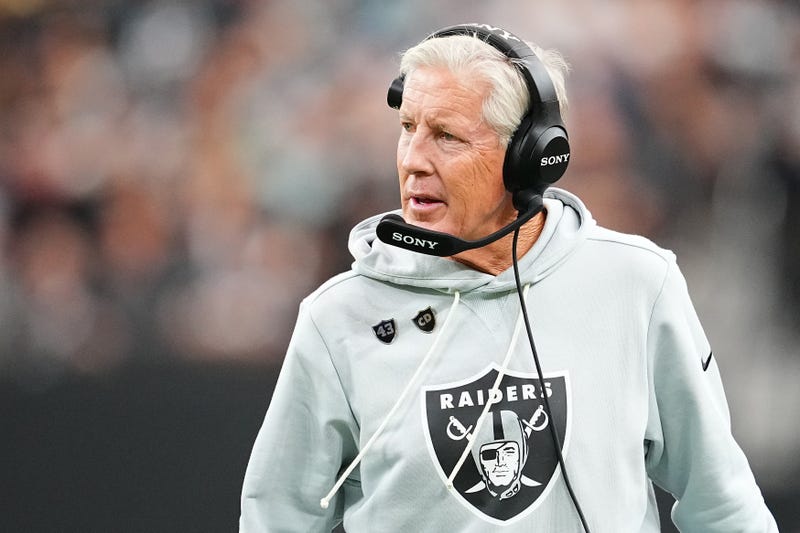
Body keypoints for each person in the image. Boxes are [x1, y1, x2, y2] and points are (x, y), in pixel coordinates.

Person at [239, 23, 778, 532]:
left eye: (447, 136)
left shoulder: (638, 286)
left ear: (528, 159)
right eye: (408, 128)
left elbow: (724, 505)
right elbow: (277, 518)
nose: (413, 160)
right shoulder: (337, 320)